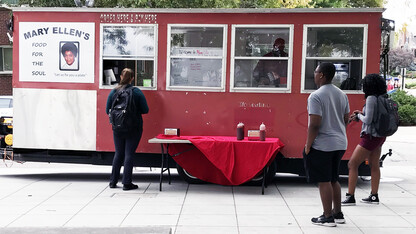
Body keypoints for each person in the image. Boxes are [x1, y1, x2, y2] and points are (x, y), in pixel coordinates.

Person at [304, 62, 350, 227]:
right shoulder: (342, 95)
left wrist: (308, 145)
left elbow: (315, 124)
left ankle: (327, 216)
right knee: (333, 179)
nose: (314, 74)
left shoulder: (315, 96)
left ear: (321, 75)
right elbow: (346, 119)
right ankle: (338, 214)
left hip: (323, 144)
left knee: (323, 180)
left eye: (316, 71)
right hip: (340, 143)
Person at [342, 74, 387, 205]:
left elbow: (368, 120)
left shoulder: (371, 98)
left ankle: (350, 196)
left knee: (352, 164)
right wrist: (361, 114)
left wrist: (359, 116)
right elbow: (373, 117)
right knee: (374, 165)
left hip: (370, 137)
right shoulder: (382, 98)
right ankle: (374, 196)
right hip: (379, 136)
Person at [106, 68, 149, 191]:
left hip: (117, 128)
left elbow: (107, 110)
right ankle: (127, 183)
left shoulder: (113, 91)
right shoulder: (136, 92)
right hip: (134, 128)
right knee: (129, 154)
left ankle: (113, 182)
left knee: (118, 153)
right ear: (132, 78)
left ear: (120, 77)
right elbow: (146, 110)